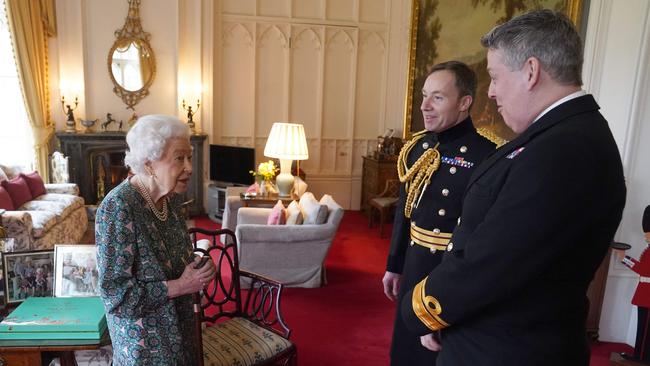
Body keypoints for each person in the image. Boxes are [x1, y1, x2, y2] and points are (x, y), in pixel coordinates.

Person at [400, 10, 626, 366]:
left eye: (494, 77)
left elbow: (492, 261)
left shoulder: (562, 150)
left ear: (531, 71)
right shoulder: (562, 136)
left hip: (505, 350)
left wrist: (421, 311)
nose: (489, 92)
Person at [383, 61, 502, 366]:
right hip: (414, 265)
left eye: (437, 97)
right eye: (424, 96)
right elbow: (404, 212)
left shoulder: (487, 155)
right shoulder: (417, 147)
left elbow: (482, 237)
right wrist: (394, 265)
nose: (425, 106)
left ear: (465, 103)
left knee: (436, 356)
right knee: (405, 351)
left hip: (449, 272)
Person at [96, 114, 216, 365]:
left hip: (181, 333)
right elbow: (116, 297)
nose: (190, 167)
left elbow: (175, 261)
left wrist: (199, 265)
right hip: (146, 348)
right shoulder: (118, 207)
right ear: (149, 162)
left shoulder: (170, 200)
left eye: (190, 157)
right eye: (179, 158)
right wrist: (182, 285)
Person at [616, 205, 650, 362]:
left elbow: (644, 270)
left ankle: (641, 357)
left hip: (648, 296)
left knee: (644, 330)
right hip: (644, 293)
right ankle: (640, 355)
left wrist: (624, 258)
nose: (646, 236)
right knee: (643, 328)